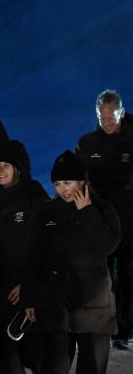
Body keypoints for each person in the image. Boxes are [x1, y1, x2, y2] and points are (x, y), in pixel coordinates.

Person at [22, 150, 120, 374]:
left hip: (94, 305)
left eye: (68, 182)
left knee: (92, 368)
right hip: (56, 305)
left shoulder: (103, 208)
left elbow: (107, 245)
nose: (62, 189)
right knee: (53, 367)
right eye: (57, 183)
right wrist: (29, 298)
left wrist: (87, 212)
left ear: (83, 180)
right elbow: (32, 258)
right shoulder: (45, 212)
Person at [0, 141, 49, 374]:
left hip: (30, 285)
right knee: (6, 351)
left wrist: (28, 285)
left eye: (7, 165)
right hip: (2, 286)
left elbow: (47, 245)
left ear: (19, 168)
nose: (1, 170)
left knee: (37, 351)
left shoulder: (34, 196)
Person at [76, 89, 133, 349]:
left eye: (112, 117)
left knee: (129, 275)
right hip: (100, 222)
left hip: (131, 220)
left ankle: (125, 330)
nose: (107, 122)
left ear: (121, 112)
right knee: (102, 274)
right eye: (102, 118)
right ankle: (103, 327)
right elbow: (78, 178)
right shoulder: (87, 143)